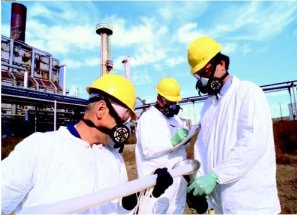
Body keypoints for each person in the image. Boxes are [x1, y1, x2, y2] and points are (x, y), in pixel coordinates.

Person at [1, 73, 172, 214]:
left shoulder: (114, 159)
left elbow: (119, 209)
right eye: (123, 118)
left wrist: (145, 190)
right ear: (101, 110)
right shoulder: (41, 147)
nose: (124, 127)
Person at [186, 36, 281, 214]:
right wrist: (200, 178)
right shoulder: (208, 106)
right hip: (222, 203)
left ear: (222, 63)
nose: (204, 81)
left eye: (206, 72)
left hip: (251, 202)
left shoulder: (248, 92)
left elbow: (252, 142)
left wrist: (216, 176)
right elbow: (202, 147)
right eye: (200, 76)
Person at [135, 77, 189, 214]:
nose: (172, 105)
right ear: (159, 99)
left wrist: (186, 140)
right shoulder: (147, 118)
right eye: (169, 102)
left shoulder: (176, 119)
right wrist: (172, 142)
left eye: (174, 102)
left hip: (178, 185)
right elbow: (148, 150)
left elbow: (180, 148)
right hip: (157, 188)